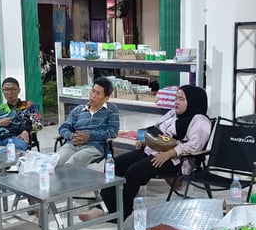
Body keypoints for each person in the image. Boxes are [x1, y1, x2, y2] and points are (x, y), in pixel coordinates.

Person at [79, 86, 211, 220]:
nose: (176, 102)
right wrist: (143, 140)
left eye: (181, 99)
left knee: (134, 171)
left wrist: (169, 154)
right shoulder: (172, 114)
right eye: (176, 98)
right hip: (153, 151)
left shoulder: (200, 121)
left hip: (176, 160)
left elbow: (194, 146)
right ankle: (105, 208)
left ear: (193, 101)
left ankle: (123, 214)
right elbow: (154, 129)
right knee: (116, 164)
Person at [56, 77, 119, 166]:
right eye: (93, 91)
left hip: (94, 146)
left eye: (98, 93)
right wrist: (72, 136)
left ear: (106, 98)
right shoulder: (78, 110)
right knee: (56, 162)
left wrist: (89, 136)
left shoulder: (111, 110)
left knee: (72, 164)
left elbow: (113, 132)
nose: (93, 95)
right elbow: (63, 128)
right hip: (73, 143)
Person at [0, 77, 42, 151]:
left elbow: (38, 125)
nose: (9, 92)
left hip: (17, 138)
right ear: (2, 91)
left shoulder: (29, 106)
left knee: (15, 149)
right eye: (6, 89)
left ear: (19, 90)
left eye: (13, 89)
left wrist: (26, 130)